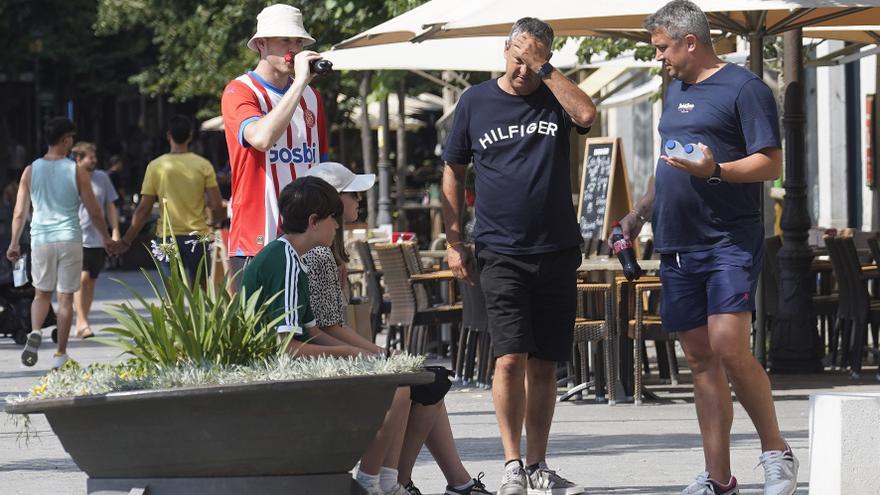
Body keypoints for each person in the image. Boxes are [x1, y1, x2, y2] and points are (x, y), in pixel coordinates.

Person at [617, 2, 797, 494]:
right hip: (676, 242)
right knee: (700, 358)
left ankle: (776, 452)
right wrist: (638, 214)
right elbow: (667, 163)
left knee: (727, 346)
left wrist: (717, 170)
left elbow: (771, 163)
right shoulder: (674, 91)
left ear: (689, 42)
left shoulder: (745, 88)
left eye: (661, 48)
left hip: (727, 241)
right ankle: (719, 479)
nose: (658, 59)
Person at [441, 17, 596, 495]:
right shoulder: (475, 102)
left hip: (556, 248)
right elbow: (453, 170)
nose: (524, 68)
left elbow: (587, 115)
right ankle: (511, 463)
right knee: (509, 358)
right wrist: (453, 240)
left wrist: (545, 68)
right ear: (503, 49)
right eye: (519, 56)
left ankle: (538, 463)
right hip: (500, 250)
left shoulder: (554, 92)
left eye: (534, 58)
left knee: (546, 362)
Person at [302, 162, 490, 495]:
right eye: (353, 193)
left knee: (430, 382)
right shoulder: (319, 255)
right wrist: (376, 352)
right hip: (325, 359)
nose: (360, 199)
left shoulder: (327, 251)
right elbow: (328, 326)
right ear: (329, 200)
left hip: (333, 352)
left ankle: (442, 482)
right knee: (420, 383)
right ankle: (394, 481)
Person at [241, 176, 413, 495]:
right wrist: (353, 355)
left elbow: (312, 332)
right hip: (273, 375)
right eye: (333, 218)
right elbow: (286, 349)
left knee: (399, 380)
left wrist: (371, 355)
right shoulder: (286, 263)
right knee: (396, 388)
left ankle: (382, 483)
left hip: (281, 368)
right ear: (314, 221)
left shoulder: (290, 257)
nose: (338, 226)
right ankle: (371, 483)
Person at [221, 3, 329, 285]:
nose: (293, 48)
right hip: (259, 242)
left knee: (316, 327)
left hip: (311, 242)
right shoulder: (239, 90)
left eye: (298, 41)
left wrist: (335, 249)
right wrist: (300, 83)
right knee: (266, 329)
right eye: (285, 40)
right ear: (260, 44)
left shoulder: (312, 98)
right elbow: (261, 138)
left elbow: (324, 172)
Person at [6, 117, 116, 368]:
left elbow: (20, 213)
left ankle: (35, 331)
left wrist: (13, 243)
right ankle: (60, 354)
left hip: (41, 239)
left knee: (41, 295)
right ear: (66, 140)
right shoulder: (75, 171)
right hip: (69, 239)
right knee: (65, 298)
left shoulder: (30, 170)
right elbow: (95, 211)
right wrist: (106, 238)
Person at [117, 115, 224, 282]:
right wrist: (216, 221)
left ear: (168, 136)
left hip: (167, 236)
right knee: (202, 291)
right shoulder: (203, 165)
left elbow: (144, 209)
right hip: (198, 236)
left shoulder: (155, 166)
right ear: (190, 136)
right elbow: (216, 204)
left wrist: (127, 240)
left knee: (174, 293)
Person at [72, 141, 120, 339]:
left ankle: (84, 319)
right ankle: (82, 321)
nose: (94, 160)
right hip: (77, 236)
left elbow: (110, 205)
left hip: (98, 238)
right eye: (90, 157)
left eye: (94, 157)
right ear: (79, 159)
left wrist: (115, 230)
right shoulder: (71, 177)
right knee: (81, 279)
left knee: (91, 281)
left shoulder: (102, 178)